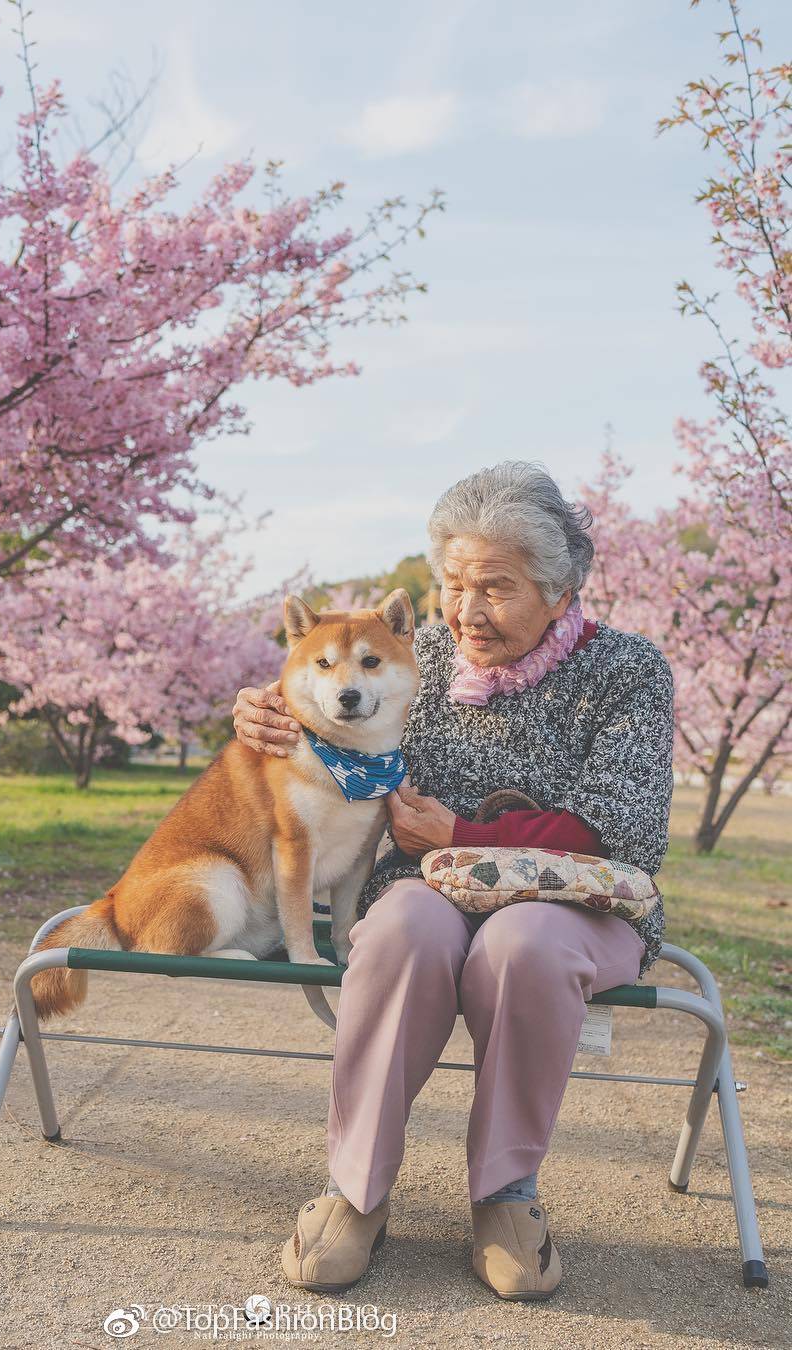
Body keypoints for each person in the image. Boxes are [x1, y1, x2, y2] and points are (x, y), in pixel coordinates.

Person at [231, 461, 674, 1301]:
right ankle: (356, 1189)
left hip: (573, 902)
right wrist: (266, 710)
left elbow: (623, 827)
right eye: (452, 584)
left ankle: (506, 1195)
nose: (465, 611)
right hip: (425, 888)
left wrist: (467, 836)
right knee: (398, 931)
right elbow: (327, 695)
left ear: (560, 587)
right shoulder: (416, 653)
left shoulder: (627, 671)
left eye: (495, 587)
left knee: (524, 942)